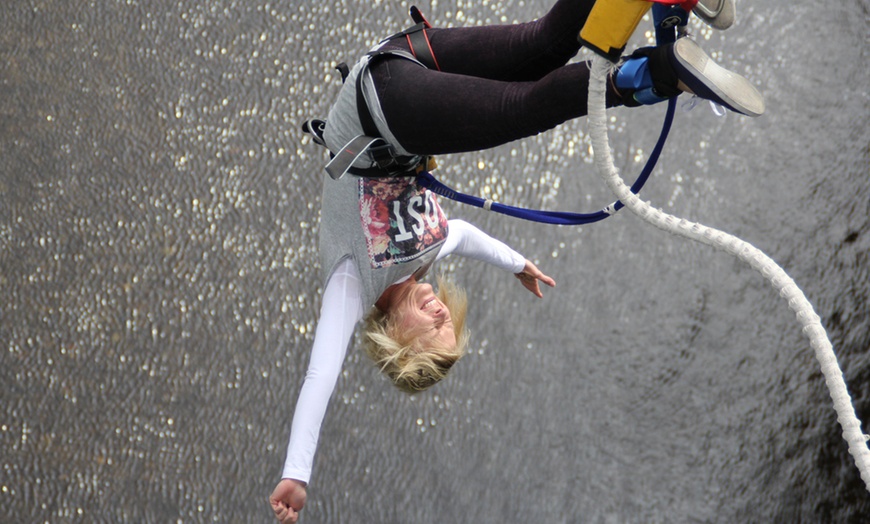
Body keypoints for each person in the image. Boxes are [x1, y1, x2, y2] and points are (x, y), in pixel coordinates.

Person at [270, 0, 761, 521]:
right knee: (544, 48)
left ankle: (661, 73)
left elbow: (320, 375)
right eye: (447, 325)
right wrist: (517, 263)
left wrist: (296, 474)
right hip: (399, 70)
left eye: (430, 329)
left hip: (382, 102)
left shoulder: (353, 284)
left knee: (522, 107)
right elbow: (460, 234)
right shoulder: (423, 257)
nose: (442, 315)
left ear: (396, 340)